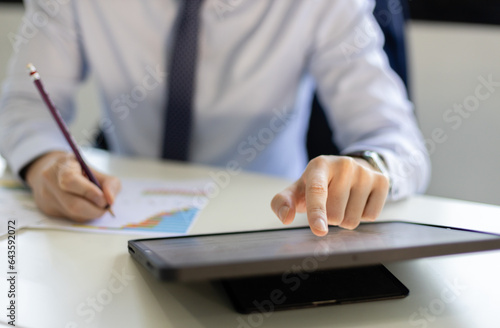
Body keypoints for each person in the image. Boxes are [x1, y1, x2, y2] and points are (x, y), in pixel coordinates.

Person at [0, 0, 430, 236]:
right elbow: (25, 101)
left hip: (265, 227)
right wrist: (44, 163)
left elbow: (395, 138)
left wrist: (368, 166)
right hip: (119, 225)